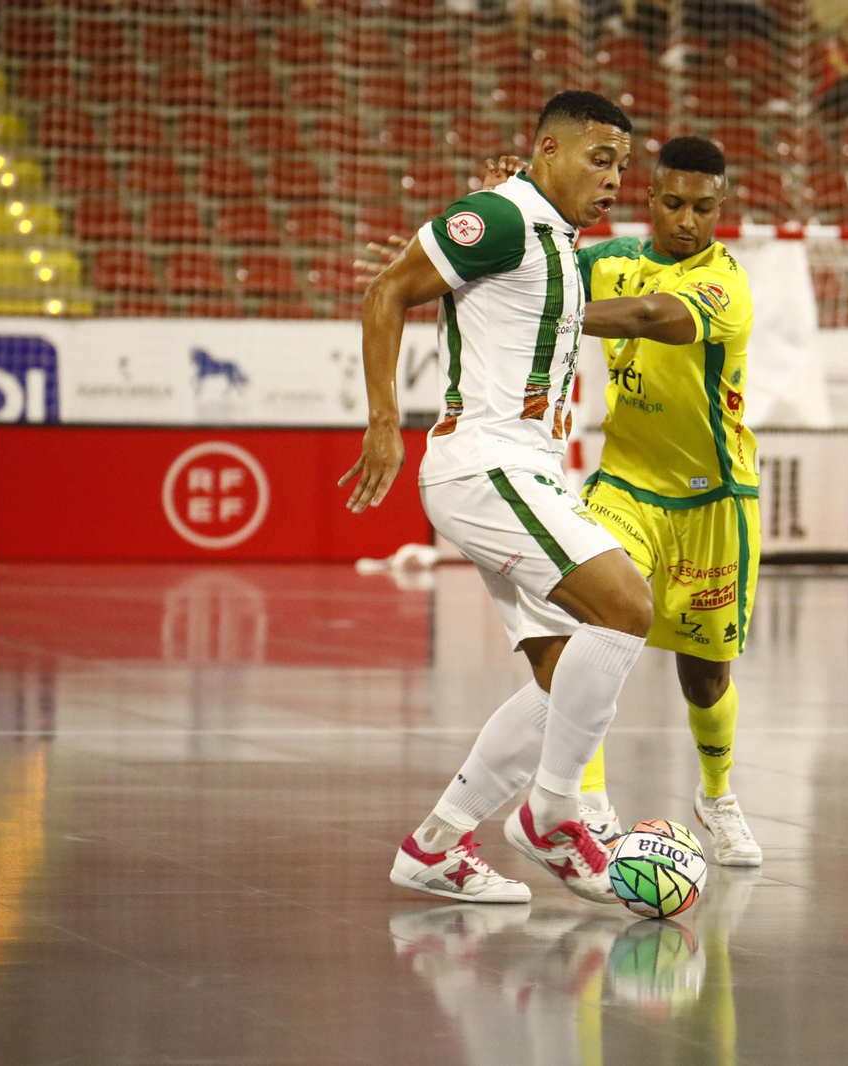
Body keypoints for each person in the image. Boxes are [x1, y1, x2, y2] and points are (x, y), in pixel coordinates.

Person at [346, 90, 649, 906]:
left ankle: (435, 845)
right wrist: (384, 422)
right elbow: (386, 293)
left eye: (622, 163)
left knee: (566, 684)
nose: (615, 177)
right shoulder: (505, 218)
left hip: (528, 471)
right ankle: (554, 814)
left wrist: (663, 316)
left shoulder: (552, 241)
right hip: (486, 464)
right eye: (599, 158)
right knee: (626, 607)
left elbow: (569, 314)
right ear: (547, 152)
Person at [572, 136, 763, 867]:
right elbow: (543, 264)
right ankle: (584, 803)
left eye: (703, 208)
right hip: (624, 485)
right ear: (650, 198)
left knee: (704, 675)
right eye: (674, 203)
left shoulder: (724, 286)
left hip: (714, 500)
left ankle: (716, 798)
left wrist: (559, 318)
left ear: (721, 209)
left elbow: (651, 317)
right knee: (594, 631)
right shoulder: (608, 257)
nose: (687, 220)